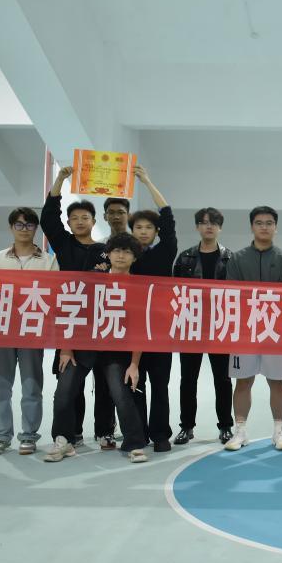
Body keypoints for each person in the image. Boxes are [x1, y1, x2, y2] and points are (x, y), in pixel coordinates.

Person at [45, 233, 149, 464]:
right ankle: (63, 440)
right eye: (116, 251)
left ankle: (134, 444)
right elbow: (70, 311)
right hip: (82, 347)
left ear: (134, 257)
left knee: (121, 394)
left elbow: (140, 329)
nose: (121, 256)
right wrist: (66, 348)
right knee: (63, 392)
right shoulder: (91, 281)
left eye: (127, 252)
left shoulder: (138, 287)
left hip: (115, 352)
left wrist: (134, 364)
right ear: (108, 254)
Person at [41, 165, 114, 449]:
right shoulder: (63, 245)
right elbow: (48, 218)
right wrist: (60, 179)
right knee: (70, 383)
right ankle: (71, 433)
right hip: (71, 321)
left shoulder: (107, 252)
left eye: (85, 217)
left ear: (94, 221)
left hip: (102, 323)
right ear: (69, 224)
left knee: (105, 384)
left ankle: (105, 431)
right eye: (74, 218)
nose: (80, 221)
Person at [0, 207, 59, 456]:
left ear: (36, 229)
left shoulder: (49, 262)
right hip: (2, 332)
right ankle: (1, 435)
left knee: (31, 386)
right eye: (19, 224)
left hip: (32, 333)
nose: (24, 229)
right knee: (0, 387)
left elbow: (56, 295)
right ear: (11, 228)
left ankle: (28, 436)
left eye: (29, 225)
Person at [224, 206, 282, 451]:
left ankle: (279, 432)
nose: (264, 227)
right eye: (259, 223)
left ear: (275, 227)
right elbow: (232, 292)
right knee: (243, 381)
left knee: (277, 382)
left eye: (269, 223)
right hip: (244, 331)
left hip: (275, 332)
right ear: (251, 227)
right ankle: (240, 432)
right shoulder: (237, 258)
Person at [172, 207, 235, 445]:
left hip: (220, 326)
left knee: (223, 379)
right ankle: (186, 427)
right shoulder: (185, 257)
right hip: (192, 325)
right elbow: (174, 292)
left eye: (213, 223)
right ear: (197, 226)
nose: (209, 226)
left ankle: (225, 426)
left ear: (220, 227)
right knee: (188, 379)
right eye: (204, 222)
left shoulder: (231, 258)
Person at [126, 165, 177, 452]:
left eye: (148, 228)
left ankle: (160, 435)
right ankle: (137, 434)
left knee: (159, 383)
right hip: (130, 328)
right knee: (133, 382)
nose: (143, 231)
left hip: (159, 328)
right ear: (131, 231)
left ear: (156, 232)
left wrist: (146, 181)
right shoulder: (124, 257)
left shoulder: (165, 252)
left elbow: (167, 215)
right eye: (138, 227)